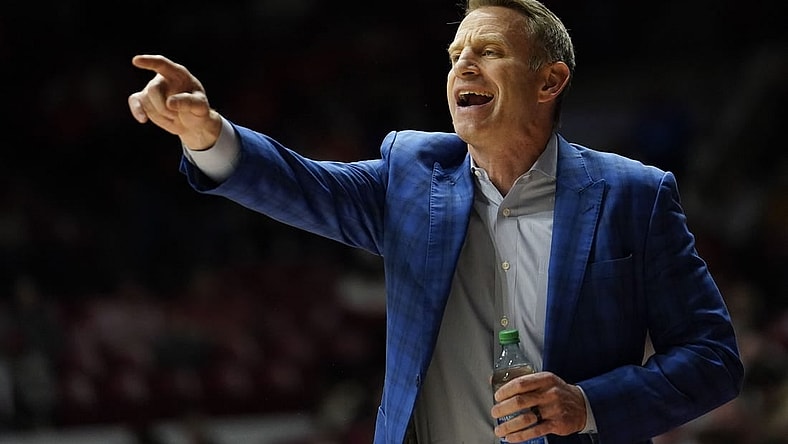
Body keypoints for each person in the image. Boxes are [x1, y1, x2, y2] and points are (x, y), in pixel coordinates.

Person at [127, 0, 744, 443]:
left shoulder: (634, 195)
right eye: (456, 55)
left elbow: (713, 358)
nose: (463, 66)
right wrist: (207, 134)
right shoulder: (414, 176)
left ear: (550, 80)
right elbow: (303, 186)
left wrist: (587, 405)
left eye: (490, 52)